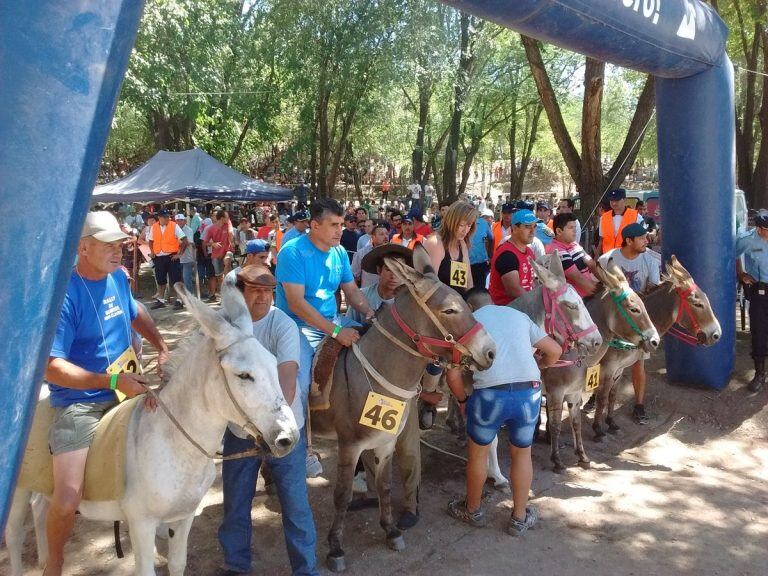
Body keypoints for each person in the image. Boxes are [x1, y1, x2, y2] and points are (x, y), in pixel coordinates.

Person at [44, 211, 169, 576]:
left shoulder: (116, 277)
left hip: (127, 385)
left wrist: (161, 343)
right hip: (79, 401)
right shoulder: (63, 295)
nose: (118, 251)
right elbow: (52, 366)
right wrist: (111, 383)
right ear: (83, 247)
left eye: (120, 244)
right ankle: (54, 563)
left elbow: (135, 312)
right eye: (108, 245)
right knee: (67, 500)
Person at [218, 265, 319, 576]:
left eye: (267, 291)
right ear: (240, 292)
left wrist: (267, 426)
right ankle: (236, 565)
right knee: (235, 504)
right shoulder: (227, 326)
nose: (263, 297)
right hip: (241, 430)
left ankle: (306, 570)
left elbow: (288, 380)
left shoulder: (283, 325)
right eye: (255, 290)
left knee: (296, 506)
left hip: (283, 428)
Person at [445, 288, 560, 535]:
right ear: (492, 301)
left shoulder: (469, 323)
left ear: (470, 307)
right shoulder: (517, 316)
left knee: (478, 455)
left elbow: (453, 375)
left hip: (489, 395)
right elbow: (555, 351)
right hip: (528, 393)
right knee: (522, 455)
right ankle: (519, 518)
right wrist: (540, 365)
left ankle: (472, 509)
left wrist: (464, 400)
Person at [276, 198, 376, 475]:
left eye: (342, 224)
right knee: (301, 382)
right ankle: (301, 447)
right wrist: (336, 332)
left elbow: (352, 292)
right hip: (295, 326)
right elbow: (296, 304)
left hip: (333, 320)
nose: (339, 230)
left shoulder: (340, 252)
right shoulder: (292, 252)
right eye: (334, 225)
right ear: (314, 225)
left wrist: (371, 315)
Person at [347, 244, 424, 529]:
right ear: (378, 272)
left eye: (400, 271)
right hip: (370, 388)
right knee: (371, 445)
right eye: (388, 270)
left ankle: (411, 503)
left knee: (407, 448)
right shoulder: (362, 299)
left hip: (404, 389)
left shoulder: (415, 302)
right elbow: (347, 329)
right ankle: (373, 493)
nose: (393, 277)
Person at [598, 223, 660, 424]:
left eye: (645, 237)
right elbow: (599, 290)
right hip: (612, 321)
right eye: (641, 238)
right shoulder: (608, 259)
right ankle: (595, 398)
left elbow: (653, 291)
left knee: (638, 362)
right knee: (603, 361)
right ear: (629, 241)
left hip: (636, 322)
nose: (646, 241)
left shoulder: (650, 259)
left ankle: (639, 405)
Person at [736, 209, 768, 393]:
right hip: (760, 291)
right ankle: (759, 373)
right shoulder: (748, 239)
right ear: (759, 228)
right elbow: (731, 252)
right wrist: (741, 273)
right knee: (759, 331)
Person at [422, 201, 477, 298]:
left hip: (459, 303)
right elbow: (428, 285)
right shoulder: (436, 243)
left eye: (469, 226)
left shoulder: (462, 244)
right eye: (461, 225)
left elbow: (468, 283)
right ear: (451, 221)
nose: (465, 230)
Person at [488, 209, 537, 305]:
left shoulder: (529, 252)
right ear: (514, 228)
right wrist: (536, 304)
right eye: (527, 226)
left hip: (524, 309)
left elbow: (532, 282)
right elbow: (514, 291)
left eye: (534, 226)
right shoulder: (507, 255)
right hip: (506, 312)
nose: (532, 231)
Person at [547, 212, 598, 297]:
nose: (575, 231)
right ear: (559, 231)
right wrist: (600, 295)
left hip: (587, 296)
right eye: (571, 228)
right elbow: (579, 279)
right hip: (576, 303)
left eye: (575, 227)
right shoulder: (557, 251)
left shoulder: (573, 243)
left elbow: (592, 264)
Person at [147, 209, 188, 310]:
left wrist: (179, 254)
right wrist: (152, 252)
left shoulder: (174, 225)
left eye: (168, 216)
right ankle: (161, 300)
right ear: (160, 218)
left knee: (176, 279)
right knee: (160, 280)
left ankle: (179, 300)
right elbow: (151, 241)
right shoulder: (154, 227)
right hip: (159, 257)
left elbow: (184, 240)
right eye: (165, 217)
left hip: (172, 257)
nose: (168, 218)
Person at [598, 188, 643, 255]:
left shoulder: (636, 217)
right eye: (611, 200)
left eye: (617, 200)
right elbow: (602, 239)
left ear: (625, 200)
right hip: (608, 258)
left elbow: (642, 239)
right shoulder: (604, 217)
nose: (614, 203)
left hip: (629, 258)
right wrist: (597, 257)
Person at [202, 209, 233, 303]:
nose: (228, 219)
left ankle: (228, 279)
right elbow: (205, 242)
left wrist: (231, 238)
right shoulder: (210, 228)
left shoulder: (227, 223)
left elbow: (231, 232)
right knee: (219, 277)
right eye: (226, 217)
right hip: (216, 255)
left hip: (227, 251)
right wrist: (213, 244)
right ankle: (223, 297)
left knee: (227, 261)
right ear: (222, 218)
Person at [352, 223, 390, 288]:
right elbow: (354, 276)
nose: (386, 236)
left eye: (387, 234)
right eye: (381, 234)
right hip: (368, 294)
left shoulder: (394, 252)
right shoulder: (362, 253)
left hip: (390, 295)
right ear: (373, 237)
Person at [469, 208, 495, 289]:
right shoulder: (459, 223)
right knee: (464, 291)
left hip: (481, 263)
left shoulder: (483, 223)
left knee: (481, 290)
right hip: (463, 265)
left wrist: (490, 255)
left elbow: (491, 239)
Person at [176, 213, 196, 296]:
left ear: (185, 221)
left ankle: (190, 295)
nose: (180, 222)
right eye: (178, 220)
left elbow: (188, 242)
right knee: (178, 278)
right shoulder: (174, 229)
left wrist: (180, 242)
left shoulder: (188, 229)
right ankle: (180, 297)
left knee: (186, 278)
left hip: (186, 257)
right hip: (176, 256)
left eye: (181, 220)